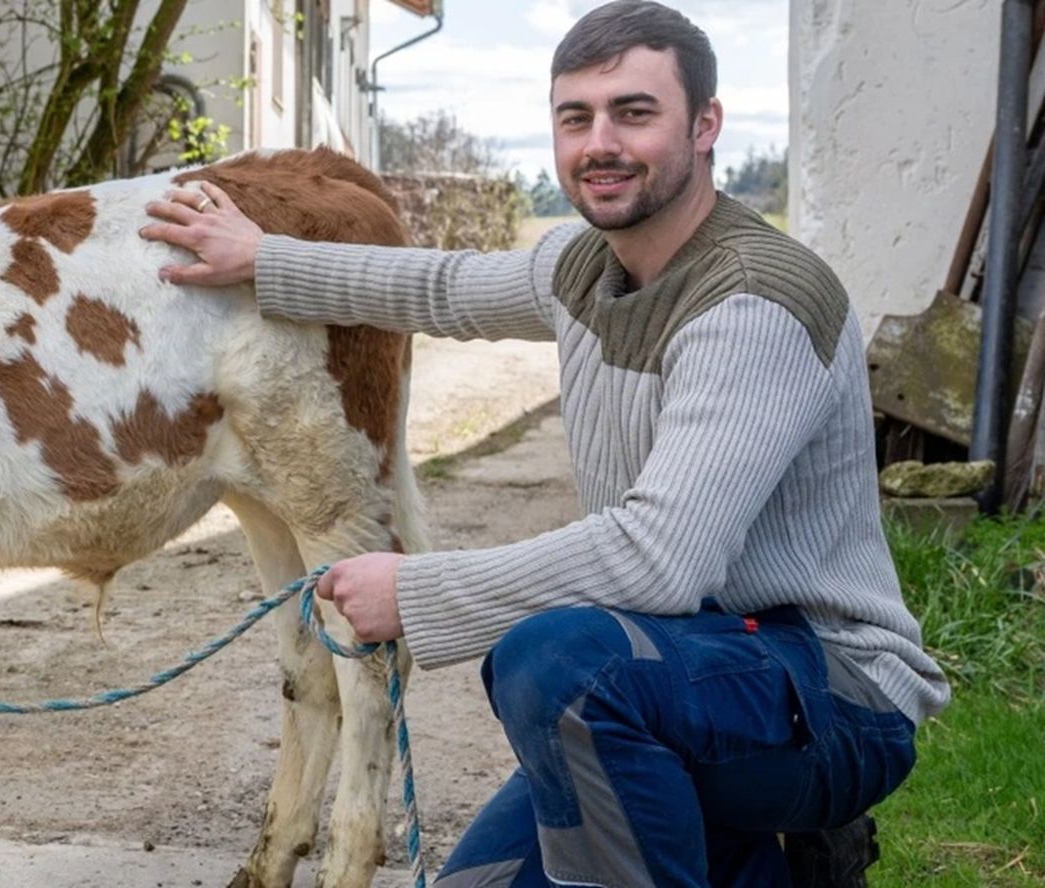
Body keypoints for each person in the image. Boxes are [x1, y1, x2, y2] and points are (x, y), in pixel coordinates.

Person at [141, 2, 950, 884]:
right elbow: (438, 288)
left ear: (705, 124)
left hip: (829, 691)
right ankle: (758, 864)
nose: (600, 141)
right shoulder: (583, 267)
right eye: (576, 117)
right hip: (682, 672)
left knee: (558, 664)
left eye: (633, 112)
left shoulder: (752, 301)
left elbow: (658, 560)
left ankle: (778, 826)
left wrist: (418, 590)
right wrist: (262, 258)